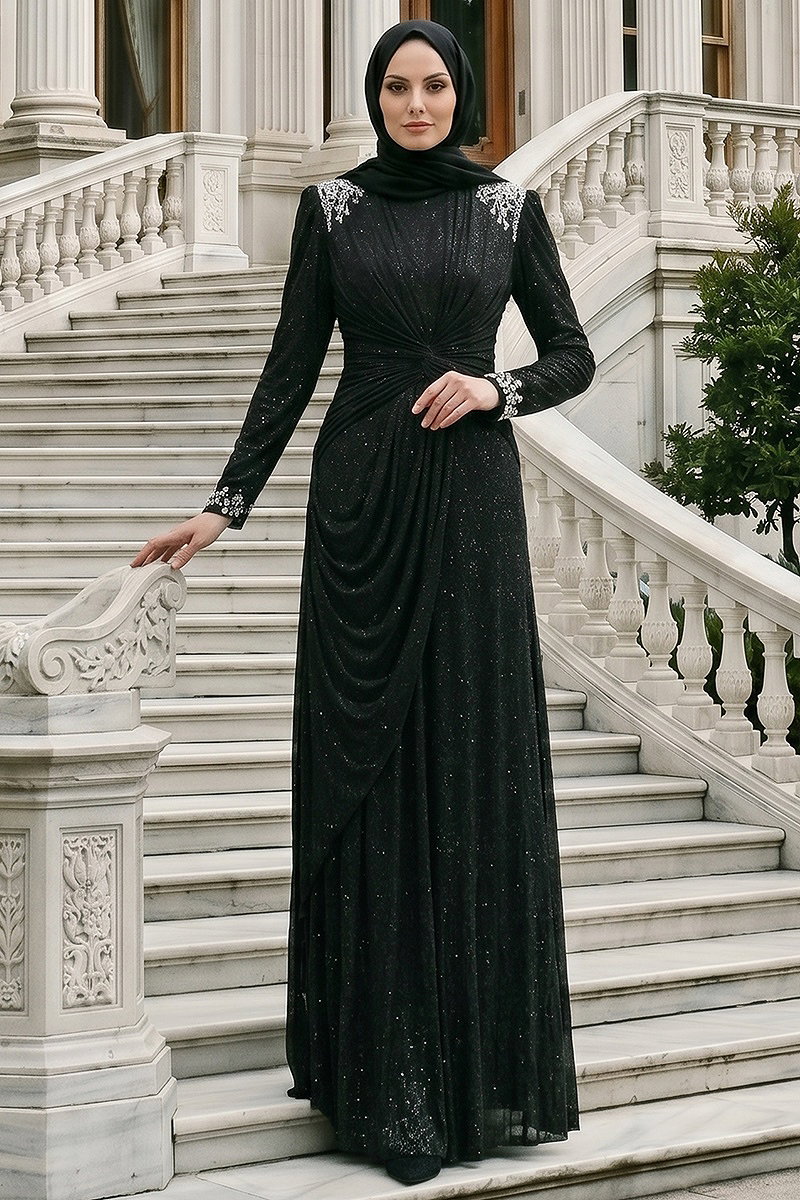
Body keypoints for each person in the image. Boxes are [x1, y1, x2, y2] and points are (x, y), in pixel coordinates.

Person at [133, 19, 595, 1188]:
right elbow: (290, 366)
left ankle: (472, 1077)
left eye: (433, 84)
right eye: (395, 86)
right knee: (369, 781)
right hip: (357, 516)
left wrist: (492, 388)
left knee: (469, 766)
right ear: (373, 97)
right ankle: (382, 1085)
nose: (416, 103)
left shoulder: (505, 207)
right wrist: (223, 506)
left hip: (471, 509)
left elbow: (570, 353)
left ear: (460, 93)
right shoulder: (330, 210)